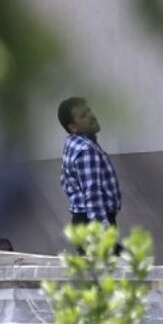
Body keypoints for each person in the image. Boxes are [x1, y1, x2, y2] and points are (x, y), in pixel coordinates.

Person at [57, 97, 122, 232]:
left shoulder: (73, 143)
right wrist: (103, 234)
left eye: (89, 111)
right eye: (83, 116)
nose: (91, 116)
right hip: (93, 223)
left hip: (85, 221)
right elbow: (93, 194)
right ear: (73, 127)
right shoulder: (86, 150)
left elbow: (65, 180)